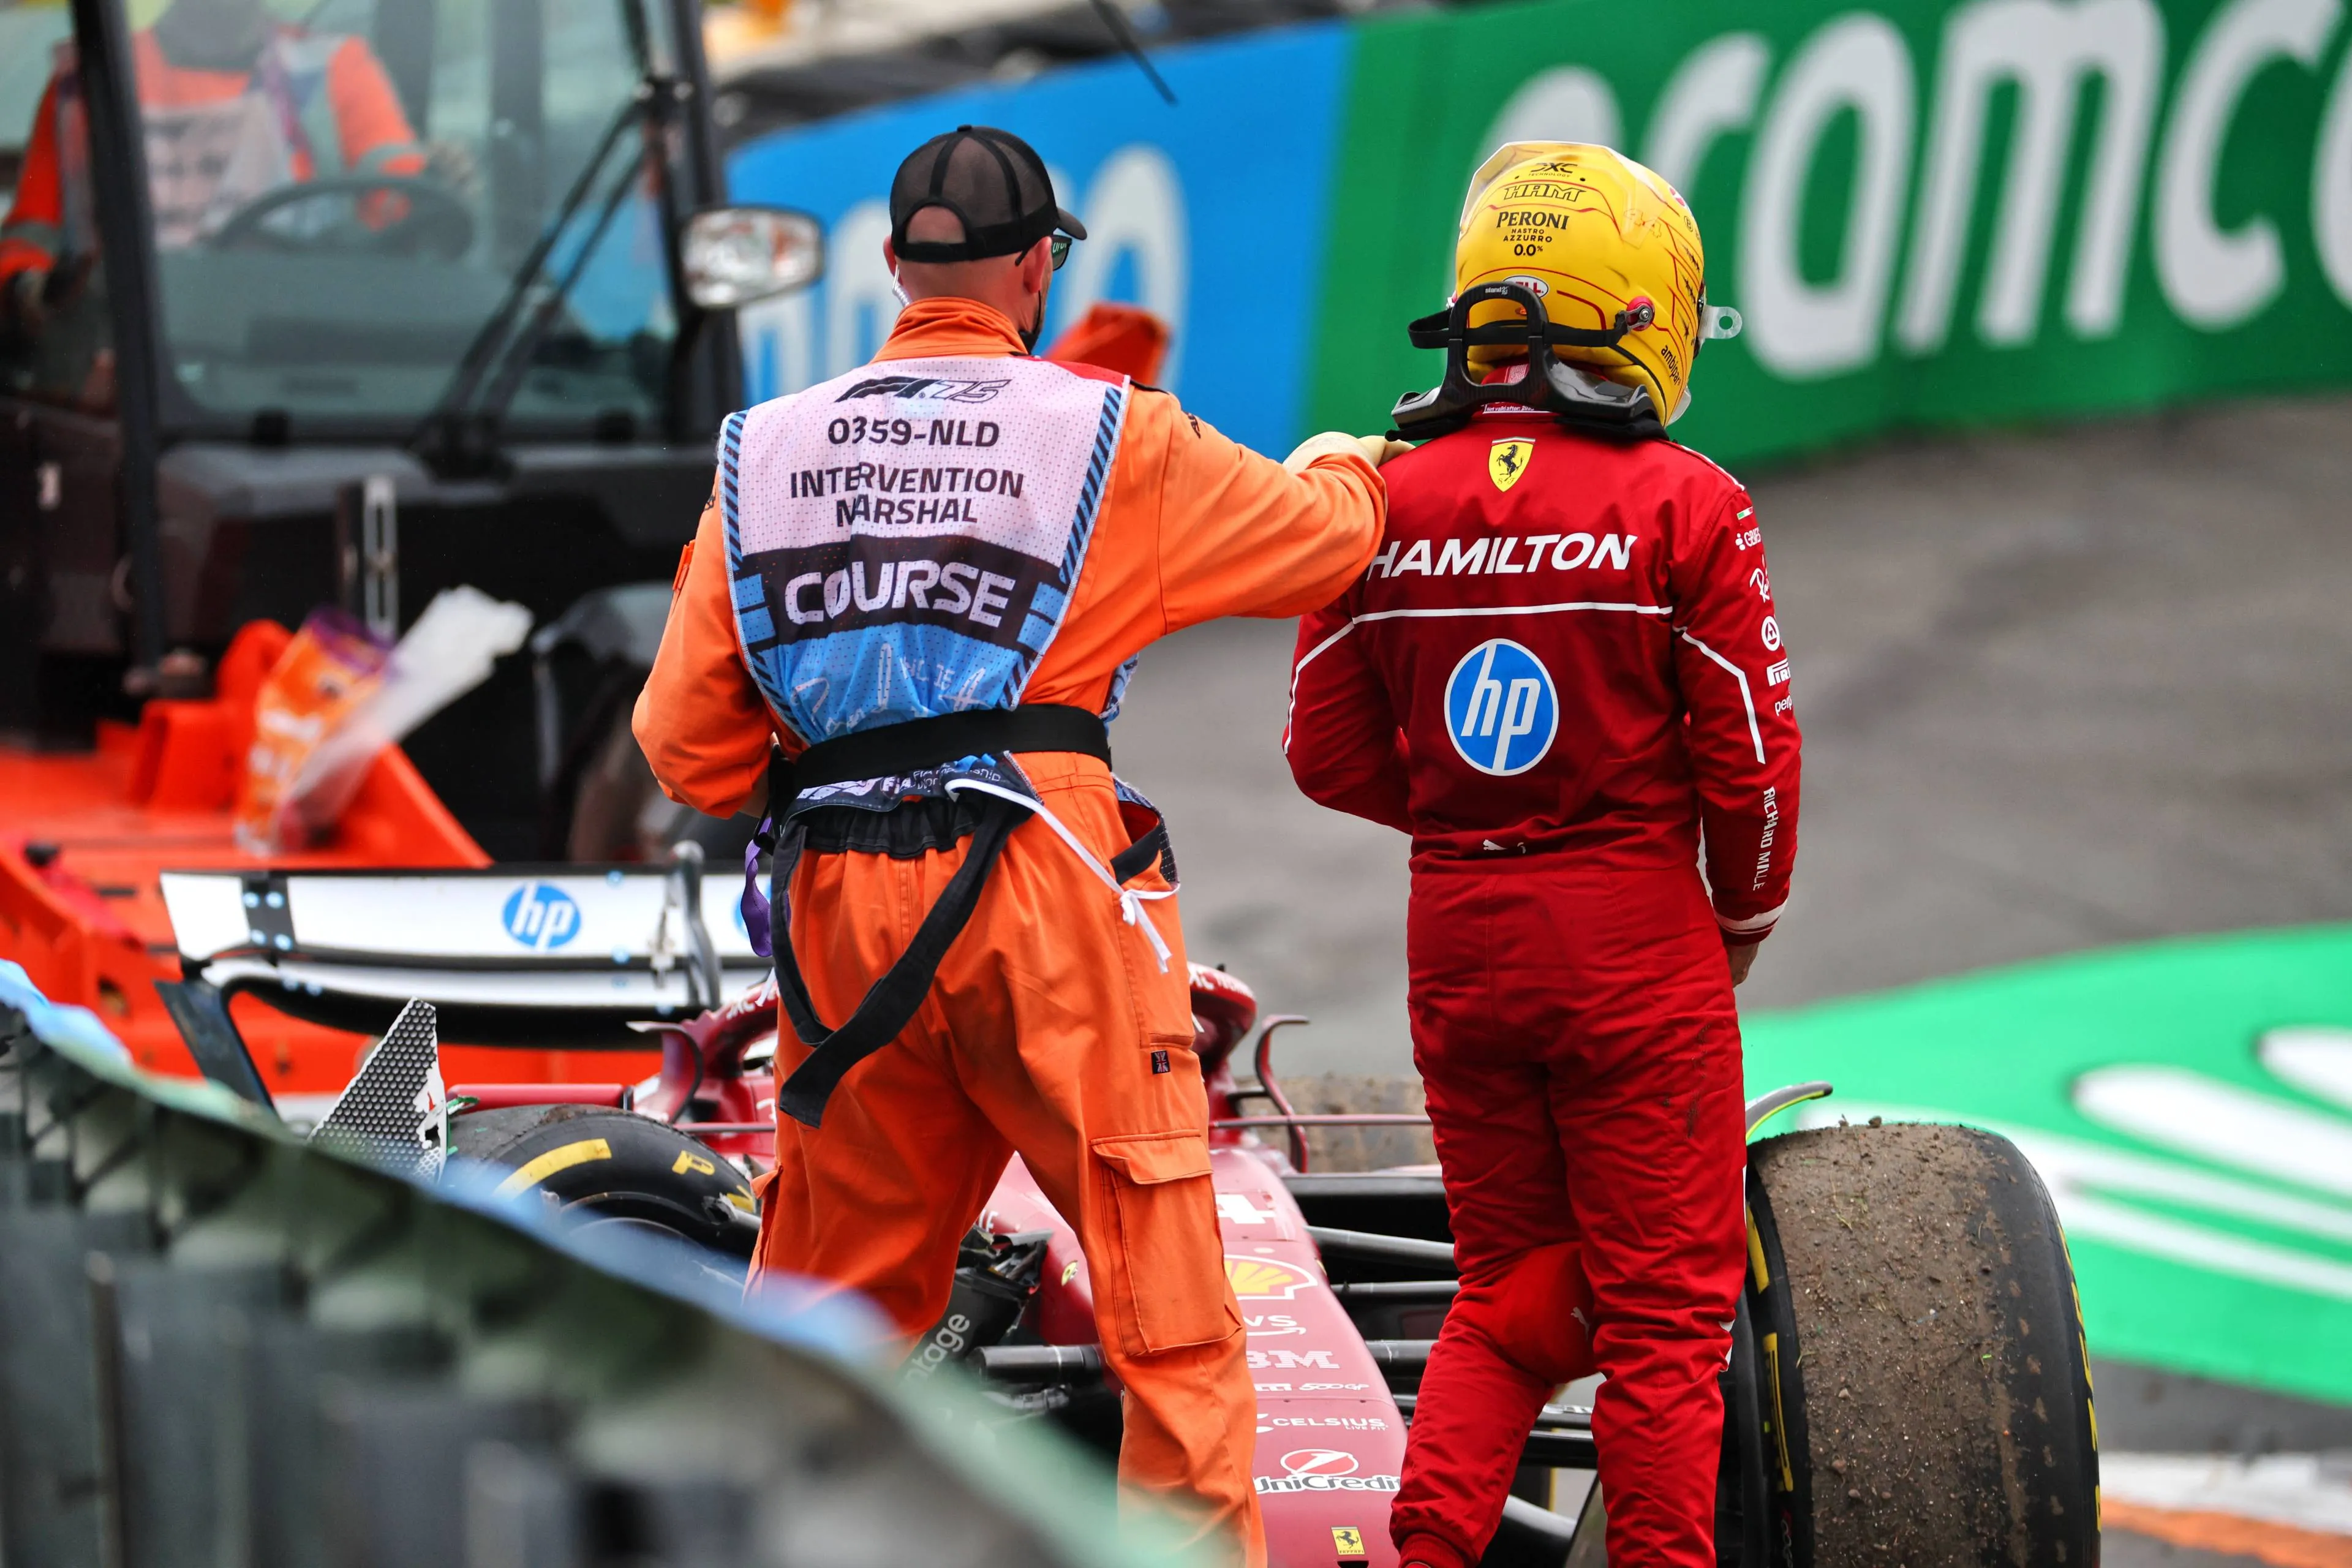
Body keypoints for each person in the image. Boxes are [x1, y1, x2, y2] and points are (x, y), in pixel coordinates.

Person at [632, 124, 1398, 1564]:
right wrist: (1352, 462)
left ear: (892, 265)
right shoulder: (1111, 433)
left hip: (843, 918)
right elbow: (1326, 544)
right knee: (1169, 1317)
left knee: (826, 1331)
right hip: (1045, 893)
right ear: (1040, 264)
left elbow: (685, 744)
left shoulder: (761, 455)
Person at [1283, 141, 1802, 1568]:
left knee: (1505, 1299)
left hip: (1458, 935)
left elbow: (1325, 752)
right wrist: (1740, 914)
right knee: (1664, 1320)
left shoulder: (1380, 498)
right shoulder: (1690, 502)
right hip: (1634, 937)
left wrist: (1473, 828)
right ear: (1641, 308)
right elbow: (1752, 760)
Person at [1, 0, 429, 336]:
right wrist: (30, 289)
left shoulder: (334, 67)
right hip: (125, 368)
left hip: (299, 355)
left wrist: (437, 181)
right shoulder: (86, 83)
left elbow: (406, 200)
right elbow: (32, 235)